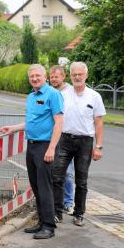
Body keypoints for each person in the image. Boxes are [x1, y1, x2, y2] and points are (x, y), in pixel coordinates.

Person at [0, 64, 63, 239]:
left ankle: (49, 226)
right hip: (32, 145)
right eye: (31, 76)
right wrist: (14, 128)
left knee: (45, 186)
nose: (34, 78)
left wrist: (51, 148)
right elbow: (32, 122)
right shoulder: (31, 96)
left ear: (45, 77)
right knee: (36, 186)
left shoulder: (54, 95)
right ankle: (41, 222)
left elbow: (59, 123)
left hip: (45, 146)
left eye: (38, 76)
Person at [51, 62, 106, 226]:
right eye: (74, 74)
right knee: (57, 176)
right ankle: (57, 212)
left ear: (86, 76)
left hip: (85, 142)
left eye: (80, 74)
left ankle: (79, 213)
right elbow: (55, 118)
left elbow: (99, 122)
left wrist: (99, 146)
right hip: (65, 140)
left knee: (81, 180)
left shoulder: (94, 96)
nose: (77, 77)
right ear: (70, 75)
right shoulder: (63, 95)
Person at [49, 65, 76, 216]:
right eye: (51, 77)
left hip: (65, 135)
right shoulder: (48, 91)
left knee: (67, 172)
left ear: (63, 77)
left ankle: (68, 202)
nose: (53, 79)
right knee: (52, 171)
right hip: (51, 135)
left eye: (56, 77)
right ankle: (54, 201)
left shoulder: (70, 92)